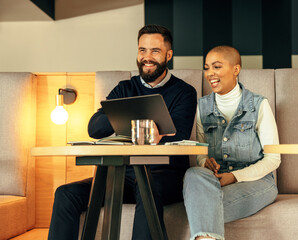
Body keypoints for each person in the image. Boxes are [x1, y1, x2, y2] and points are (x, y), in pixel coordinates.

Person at [48, 24, 197, 240]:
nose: (147, 57)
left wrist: (130, 121)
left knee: (148, 187)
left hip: (164, 176)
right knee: (65, 194)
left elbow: (180, 132)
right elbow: (95, 127)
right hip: (122, 177)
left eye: (155, 51)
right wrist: (140, 120)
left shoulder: (184, 92)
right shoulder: (124, 89)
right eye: (142, 50)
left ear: (168, 55)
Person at [183, 46, 281, 240]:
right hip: (214, 182)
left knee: (202, 206)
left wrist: (234, 176)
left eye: (217, 67)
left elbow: (273, 159)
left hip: (258, 183)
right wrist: (204, 162)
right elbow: (201, 153)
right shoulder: (201, 107)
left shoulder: (259, 105)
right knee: (193, 173)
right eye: (207, 68)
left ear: (236, 69)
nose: (210, 73)